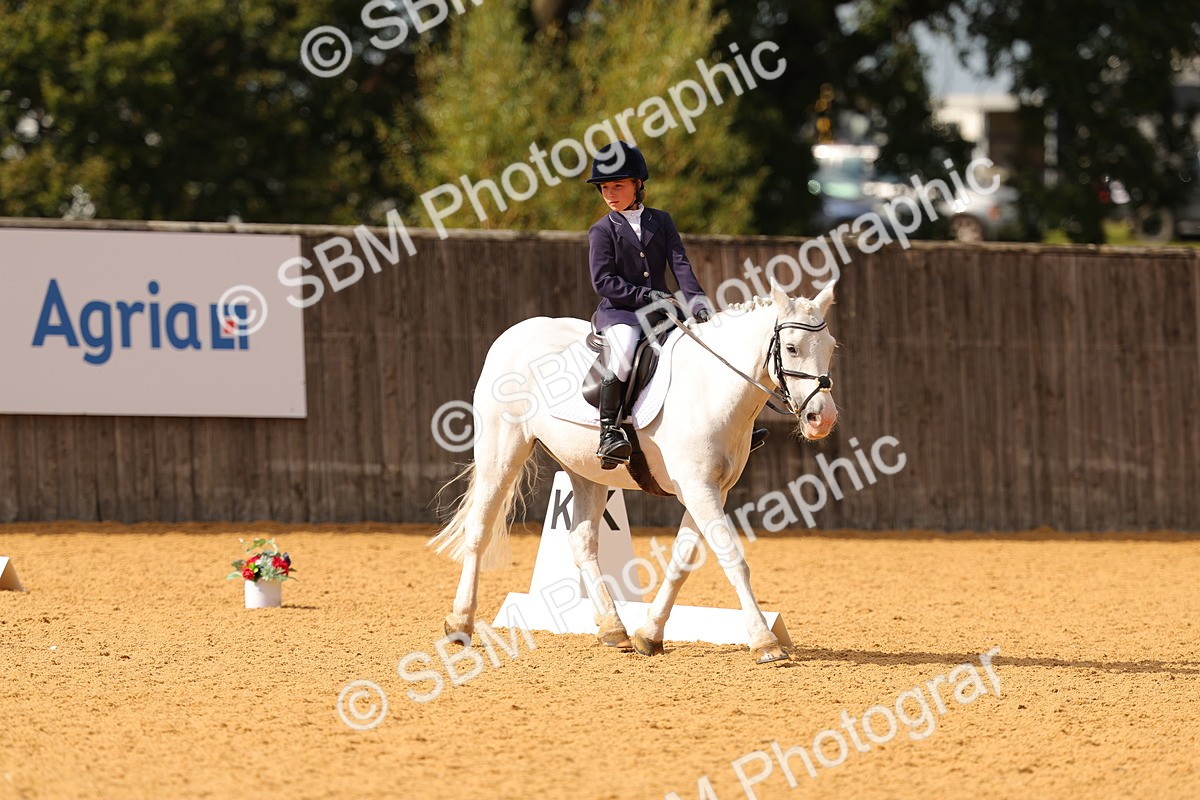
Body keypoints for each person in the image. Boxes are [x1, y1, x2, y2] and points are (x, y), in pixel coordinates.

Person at [586, 141, 712, 468]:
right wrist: (645, 296)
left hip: (662, 311)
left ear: (637, 185)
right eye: (605, 188)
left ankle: (720, 426)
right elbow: (603, 282)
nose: (610, 193)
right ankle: (609, 432)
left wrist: (698, 304)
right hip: (621, 313)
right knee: (625, 352)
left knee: (700, 346)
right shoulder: (601, 231)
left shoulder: (662, 221)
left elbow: (680, 264)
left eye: (618, 186)